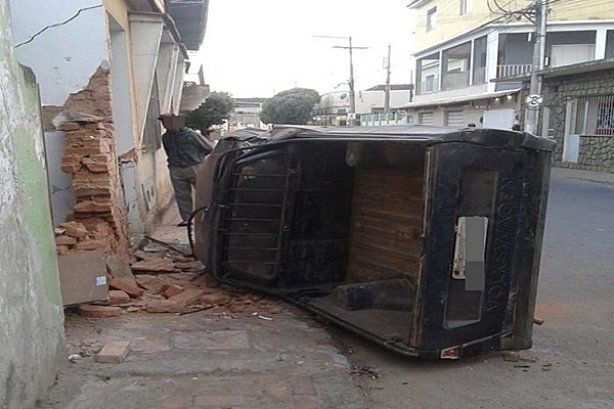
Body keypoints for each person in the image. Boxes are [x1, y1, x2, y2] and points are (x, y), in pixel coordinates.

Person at [159, 113, 213, 226]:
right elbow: (168, 151)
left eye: (168, 121)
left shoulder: (191, 135)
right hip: (176, 168)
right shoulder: (166, 137)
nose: (165, 125)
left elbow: (208, 148)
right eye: (163, 122)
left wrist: (198, 158)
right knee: (181, 194)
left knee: (203, 192)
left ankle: (207, 216)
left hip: (194, 166)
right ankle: (187, 219)